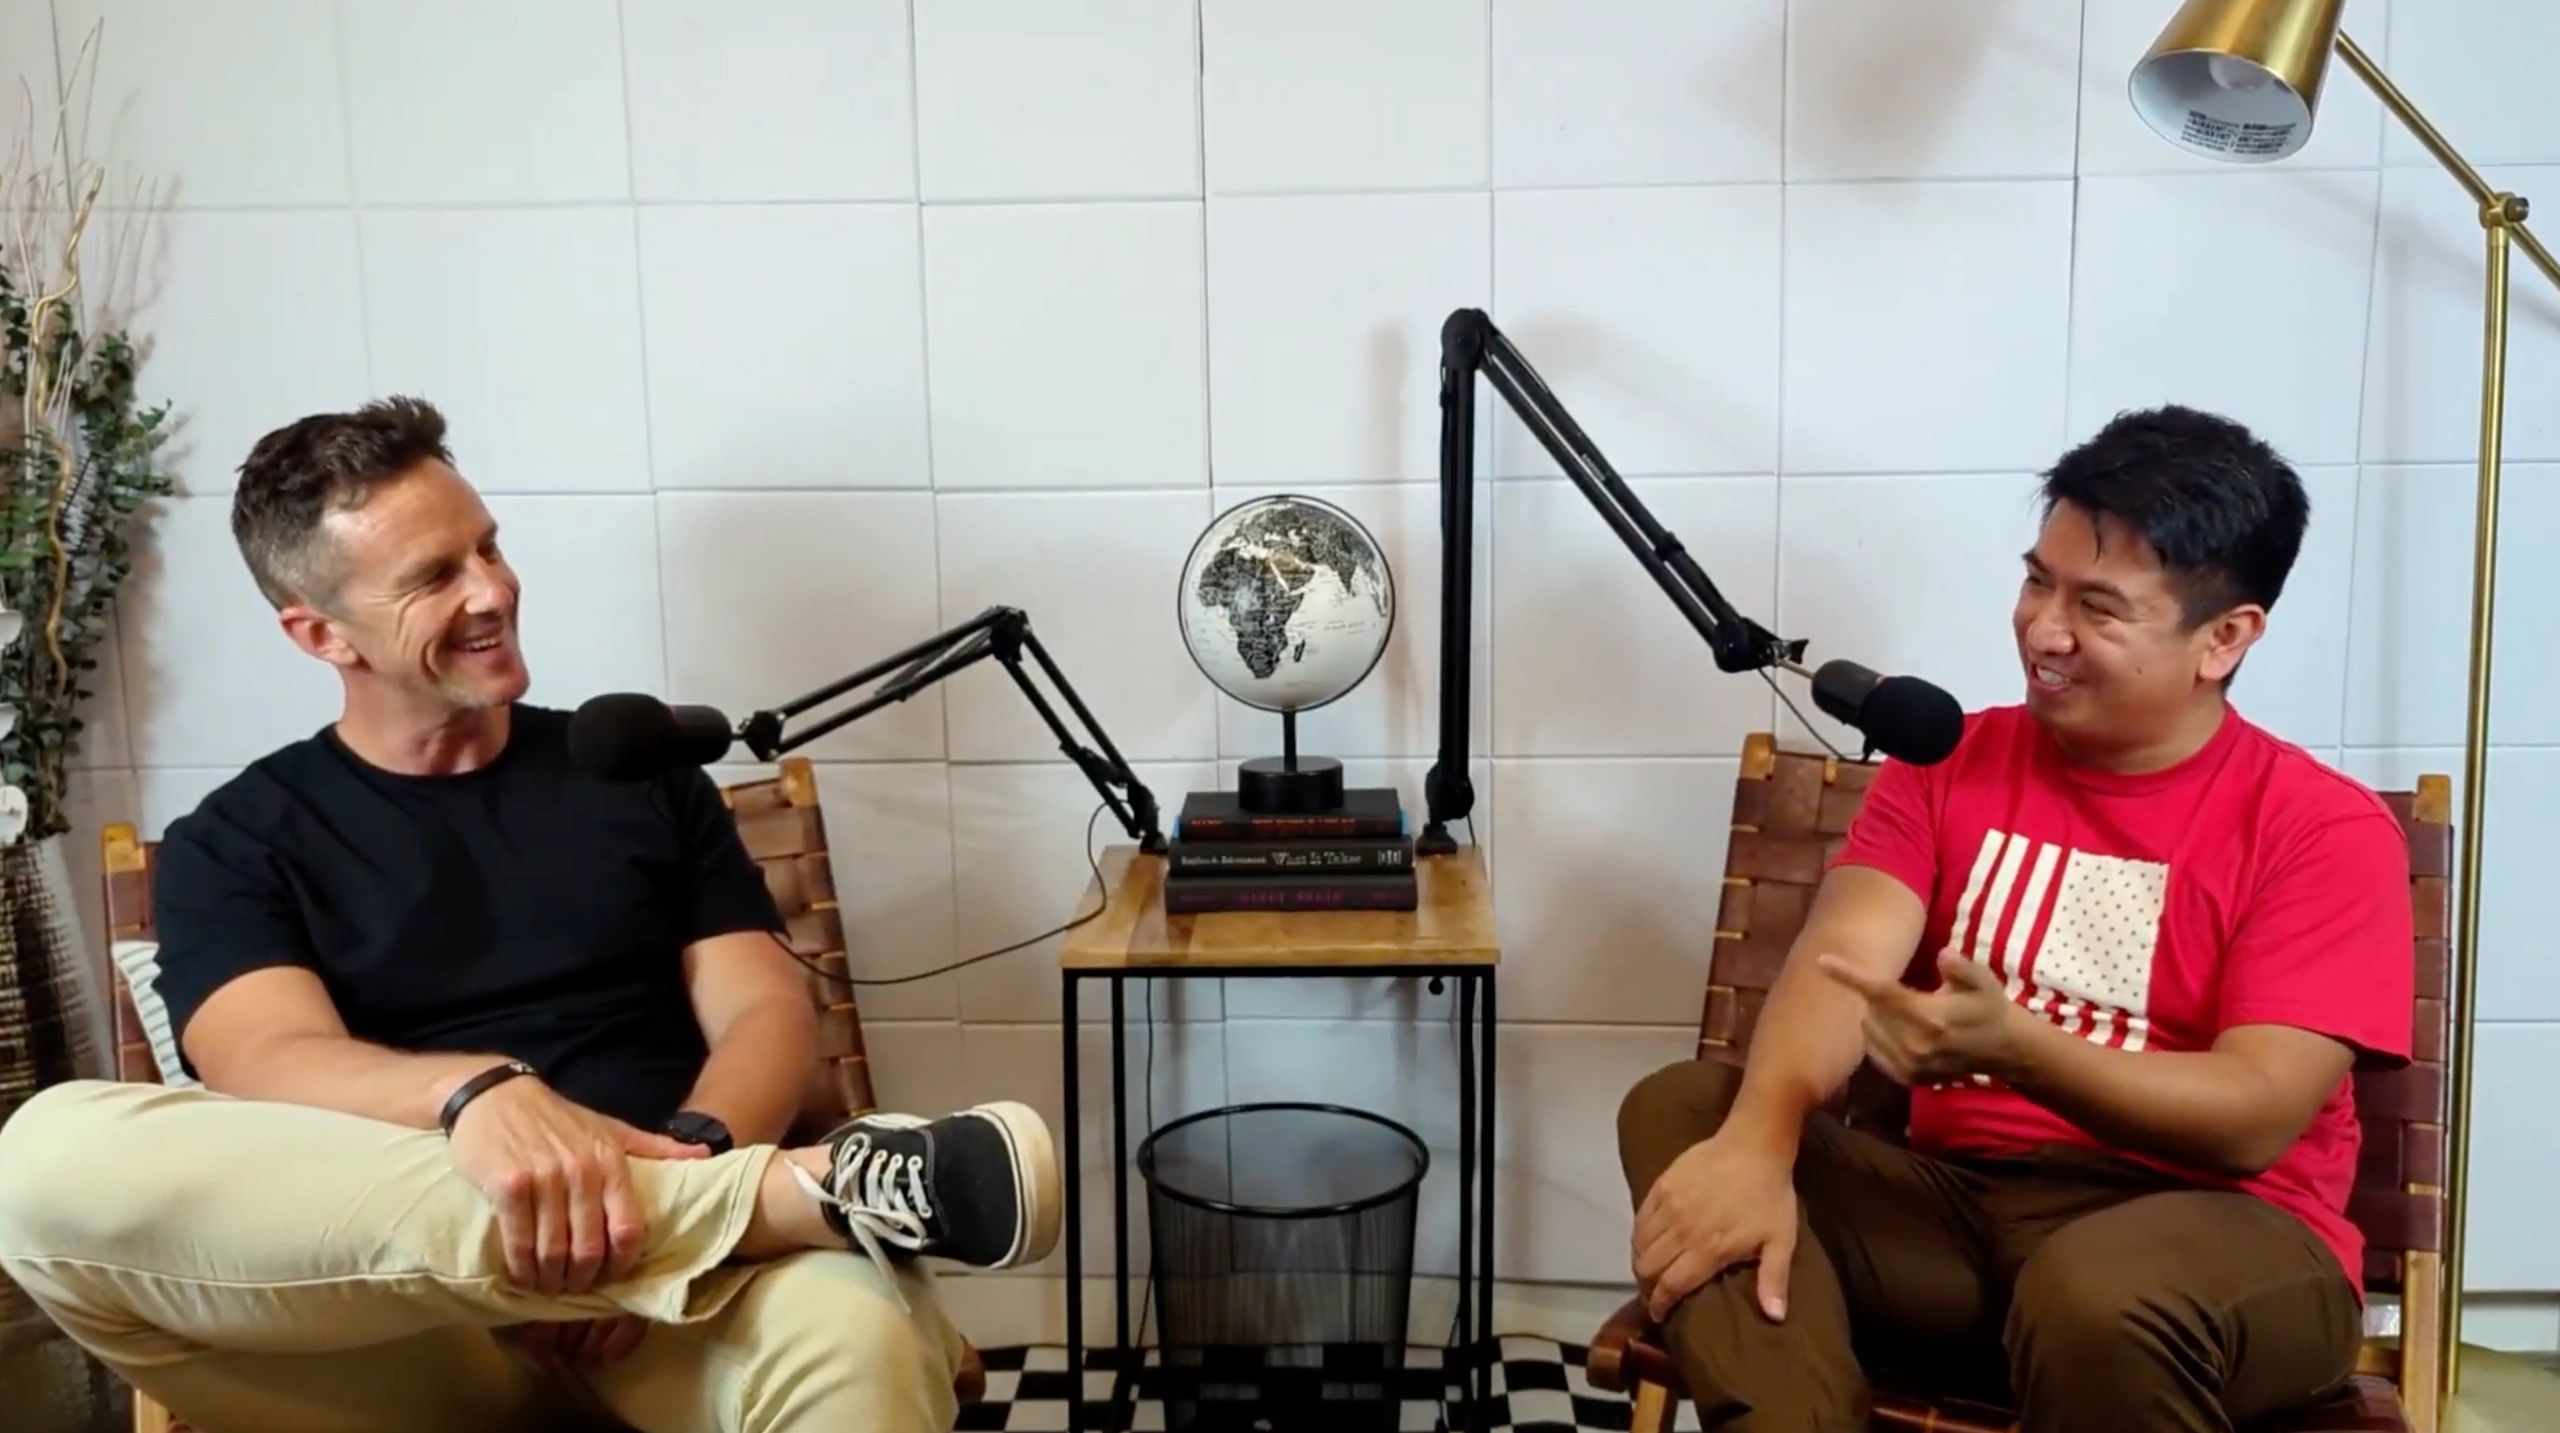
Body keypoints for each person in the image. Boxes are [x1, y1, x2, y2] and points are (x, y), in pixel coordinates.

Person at [0, 396, 1063, 1433]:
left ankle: (693, 1222)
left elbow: (764, 1011)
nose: (492, 590)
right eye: (433, 576)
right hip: (403, 1322)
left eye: (488, 546)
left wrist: (657, 1185)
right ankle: (762, 1202)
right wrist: (477, 1095)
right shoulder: (237, 836)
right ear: (320, 632)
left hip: (688, 1308)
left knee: (861, 1328)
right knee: (38, 1161)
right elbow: (266, 1054)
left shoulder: (635, 768)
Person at [1615, 405, 2415, 1433]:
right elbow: (1838, 965)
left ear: (2224, 636)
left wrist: (2021, 1050)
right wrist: (1758, 1146)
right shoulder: (1949, 760)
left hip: (2225, 1246)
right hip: (1963, 1217)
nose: (2043, 629)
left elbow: (2251, 1115)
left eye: (2097, 606)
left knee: (2096, 1289)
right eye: (2037, 579)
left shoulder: (2320, 829)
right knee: (1688, 1112)